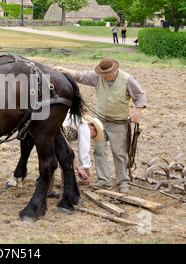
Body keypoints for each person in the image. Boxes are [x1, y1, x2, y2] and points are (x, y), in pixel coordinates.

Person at [54, 58, 146, 193]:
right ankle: (104, 180)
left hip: (119, 122)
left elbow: (140, 95)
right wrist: (65, 70)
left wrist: (137, 113)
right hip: (101, 121)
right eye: (104, 75)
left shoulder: (127, 79)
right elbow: (81, 75)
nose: (107, 77)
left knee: (119, 153)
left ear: (115, 70)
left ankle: (123, 182)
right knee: (99, 151)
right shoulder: (98, 77)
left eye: (109, 74)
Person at [47, 115, 104, 198]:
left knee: (50, 162)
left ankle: (47, 192)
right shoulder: (85, 128)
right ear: (93, 129)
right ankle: (66, 196)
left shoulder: (75, 123)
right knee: (67, 166)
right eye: (94, 136)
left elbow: (68, 151)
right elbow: (83, 154)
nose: (91, 137)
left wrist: (78, 169)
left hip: (51, 131)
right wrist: (89, 174)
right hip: (58, 132)